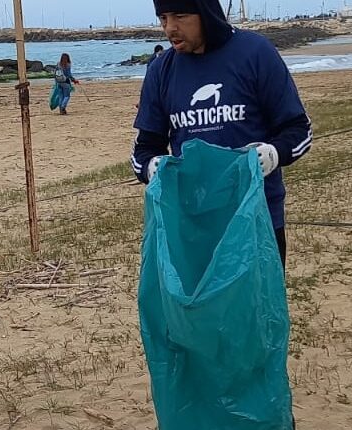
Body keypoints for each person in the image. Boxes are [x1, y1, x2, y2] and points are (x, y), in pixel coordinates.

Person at [131, 0, 312, 427]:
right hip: (190, 237)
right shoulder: (163, 71)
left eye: (179, 16)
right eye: (162, 18)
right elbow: (143, 150)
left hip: (255, 230)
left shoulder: (255, 55)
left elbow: (298, 131)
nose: (169, 29)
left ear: (206, 13)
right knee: (191, 338)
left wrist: (271, 155)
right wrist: (154, 168)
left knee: (250, 334)